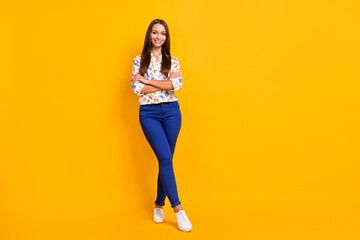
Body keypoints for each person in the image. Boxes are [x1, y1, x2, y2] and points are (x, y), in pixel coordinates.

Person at [130, 19, 192, 232]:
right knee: (165, 159)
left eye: (162, 33)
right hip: (149, 114)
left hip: (172, 112)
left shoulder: (172, 61)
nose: (158, 37)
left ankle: (158, 205)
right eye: (155, 32)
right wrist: (162, 83)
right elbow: (137, 89)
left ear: (166, 38)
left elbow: (177, 85)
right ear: (149, 35)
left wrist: (148, 81)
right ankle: (178, 210)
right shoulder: (139, 60)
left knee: (165, 160)